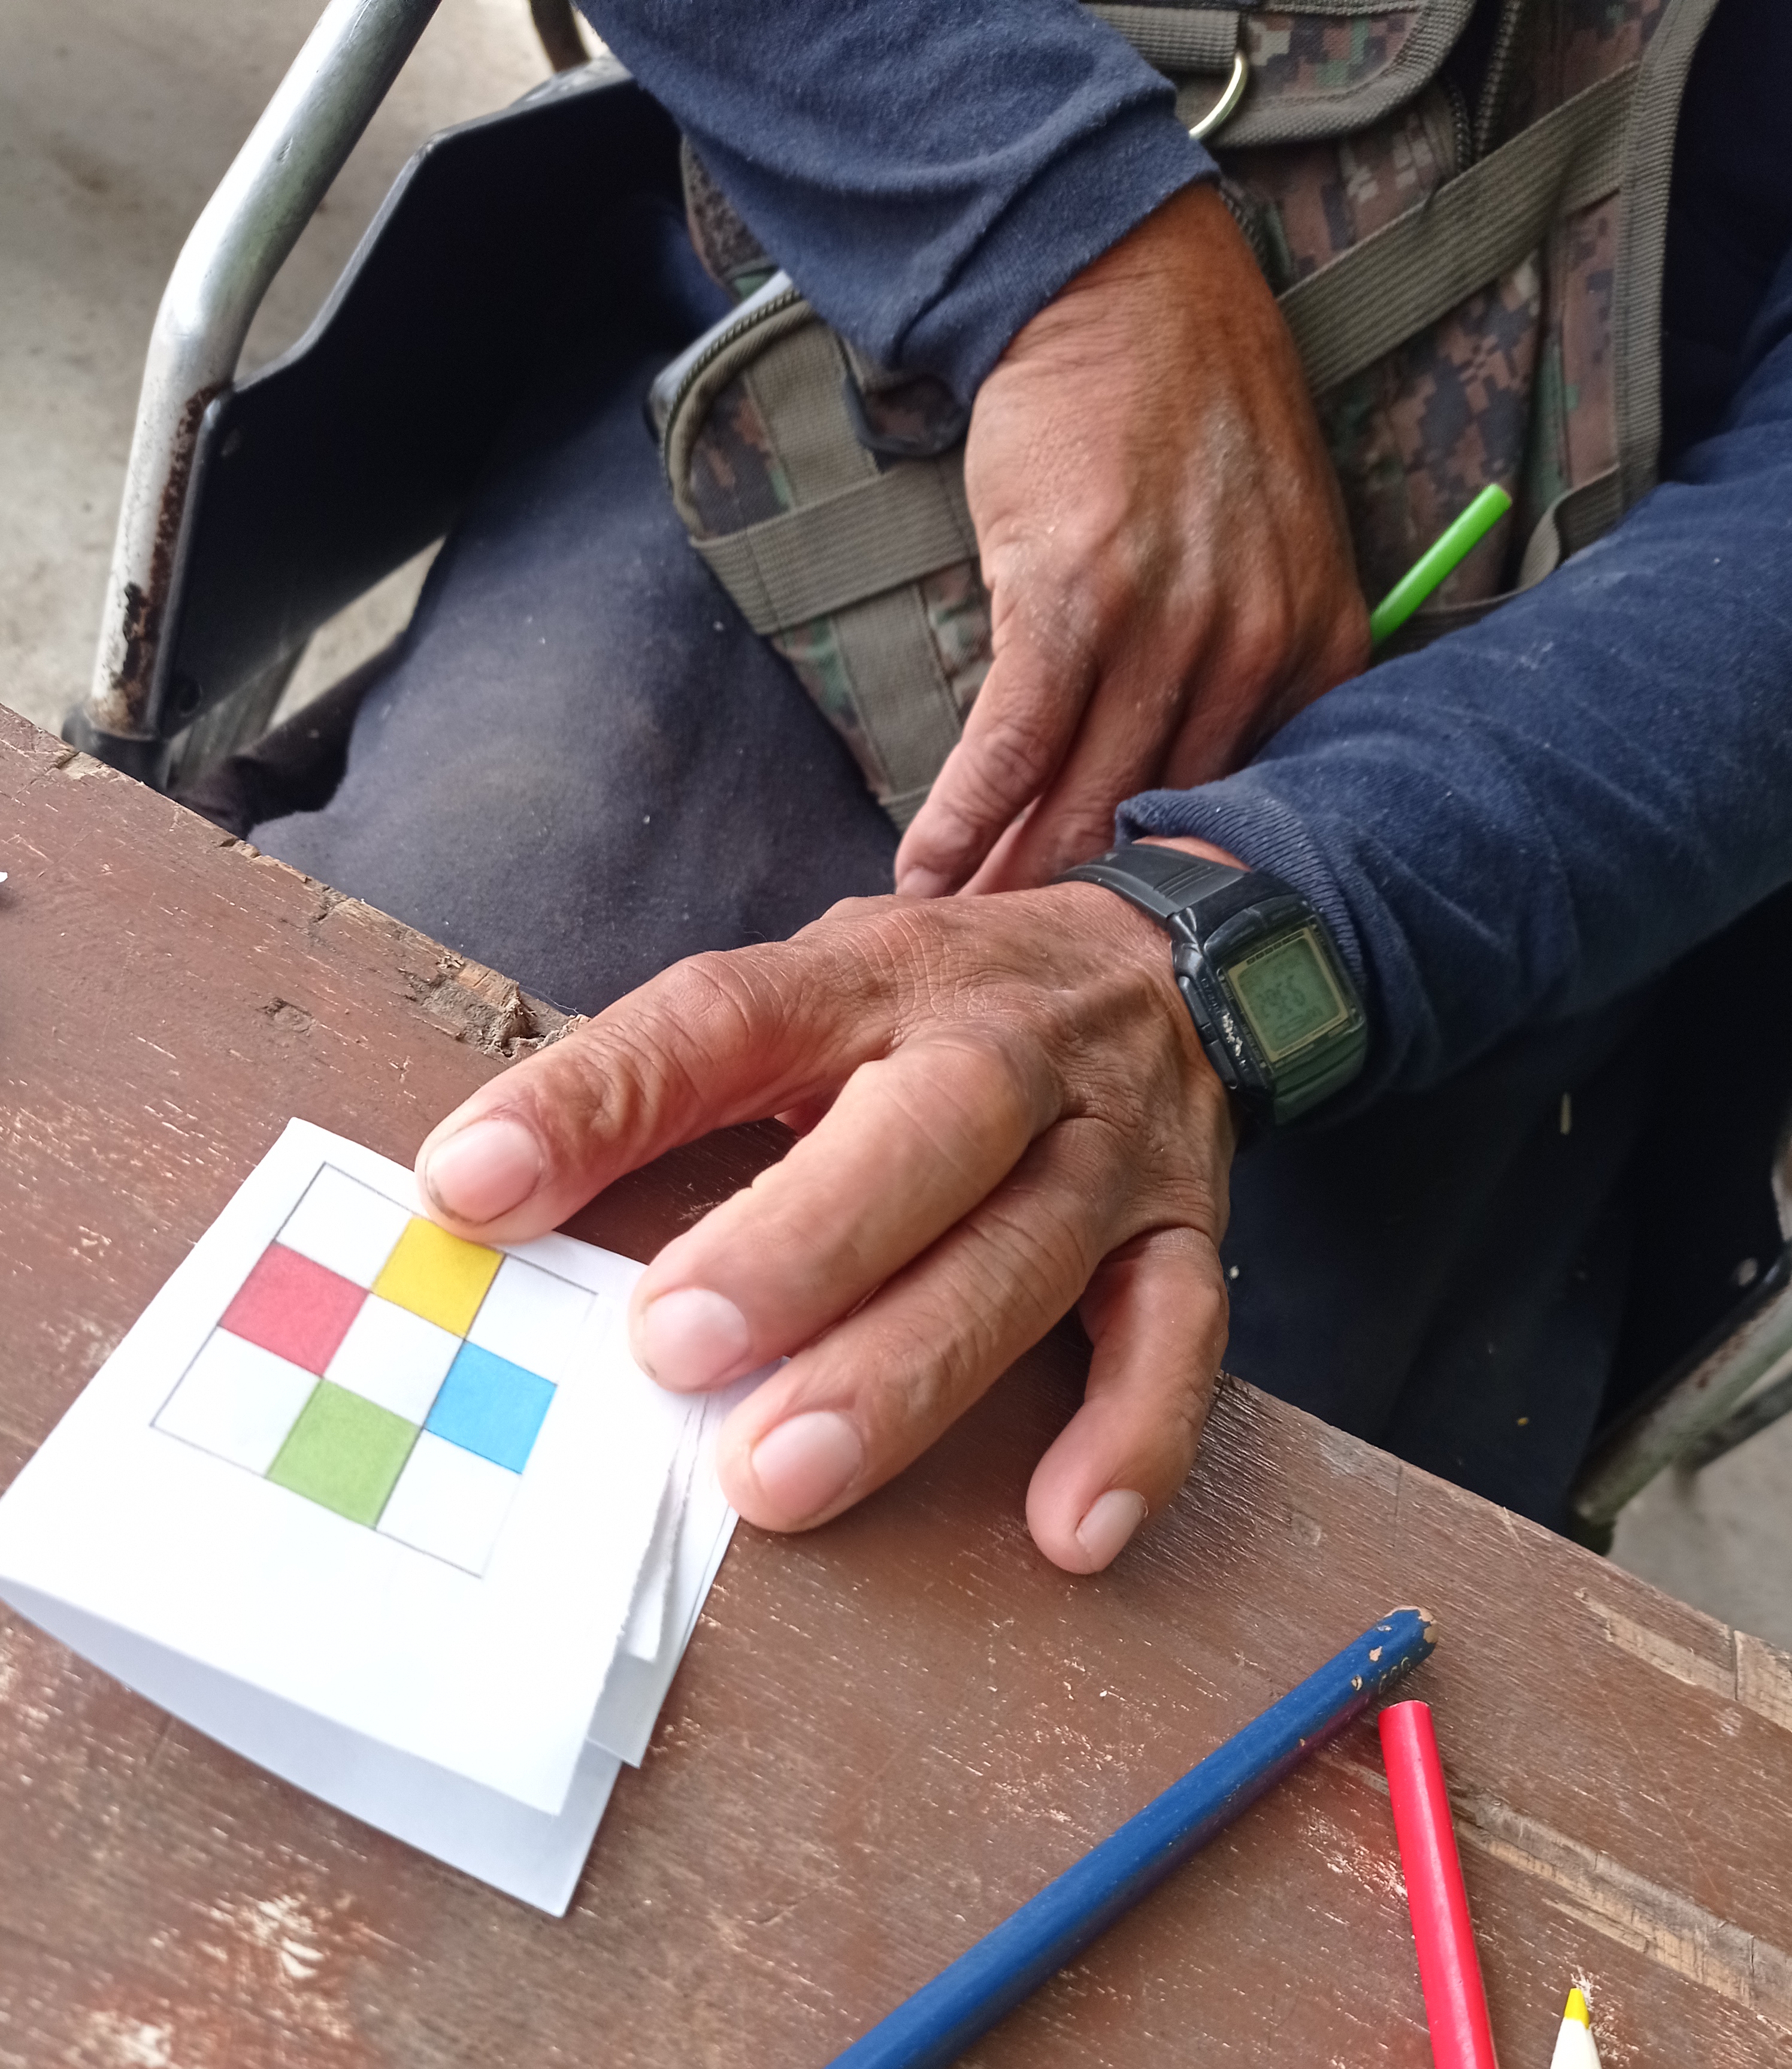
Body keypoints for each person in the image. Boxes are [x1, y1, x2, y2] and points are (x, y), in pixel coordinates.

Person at [252, 0, 1792, 1572]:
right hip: (823, 346)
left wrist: (1239, 943)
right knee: (376, 1097)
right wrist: (1051, 234)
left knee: (1120, 1541)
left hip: (1542, 752)